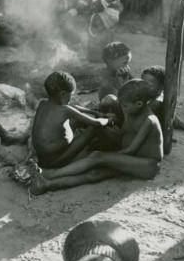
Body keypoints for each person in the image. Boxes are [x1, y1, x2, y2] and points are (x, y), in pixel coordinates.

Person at [30, 79, 163, 195]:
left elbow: (131, 150)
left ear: (139, 104)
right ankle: (46, 185)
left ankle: (51, 174)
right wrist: (111, 123)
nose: (122, 108)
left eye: (125, 106)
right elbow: (123, 133)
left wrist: (109, 156)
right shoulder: (131, 112)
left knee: (97, 156)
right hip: (129, 159)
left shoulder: (149, 121)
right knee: (93, 174)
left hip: (145, 164)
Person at [31, 71, 111, 169]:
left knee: (77, 119)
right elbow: (97, 123)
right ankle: (111, 140)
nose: (71, 97)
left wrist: (93, 112)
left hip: (43, 158)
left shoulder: (43, 103)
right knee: (94, 128)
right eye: (71, 95)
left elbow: (72, 107)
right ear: (63, 94)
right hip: (57, 160)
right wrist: (109, 119)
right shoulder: (65, 110)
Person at [141, 65, 184, 133]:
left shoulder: (158, 102)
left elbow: (170, 116)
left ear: (162, 86)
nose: (144, 86)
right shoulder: (144, 93)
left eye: (149, 84)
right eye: (142, 82)